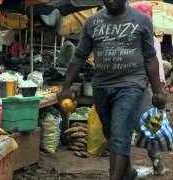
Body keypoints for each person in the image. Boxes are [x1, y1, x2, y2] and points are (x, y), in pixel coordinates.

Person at [58, 0, 167, 179]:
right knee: (111, 132)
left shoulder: (141, 20)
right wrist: (66, 87)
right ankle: (128, 171)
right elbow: (80, 54)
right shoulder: (92, 22)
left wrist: (159, 89)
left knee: (120, 133)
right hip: (101, 86)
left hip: (131, 85)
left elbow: (150, 57)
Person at [132, 2, 166, 176]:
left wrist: (159, 89)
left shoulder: (151, 39)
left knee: (149, 126)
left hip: (145, 88)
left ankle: (156, 159)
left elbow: (158, 64)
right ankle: (121, 167)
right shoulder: (126, 36)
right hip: (125, 86)